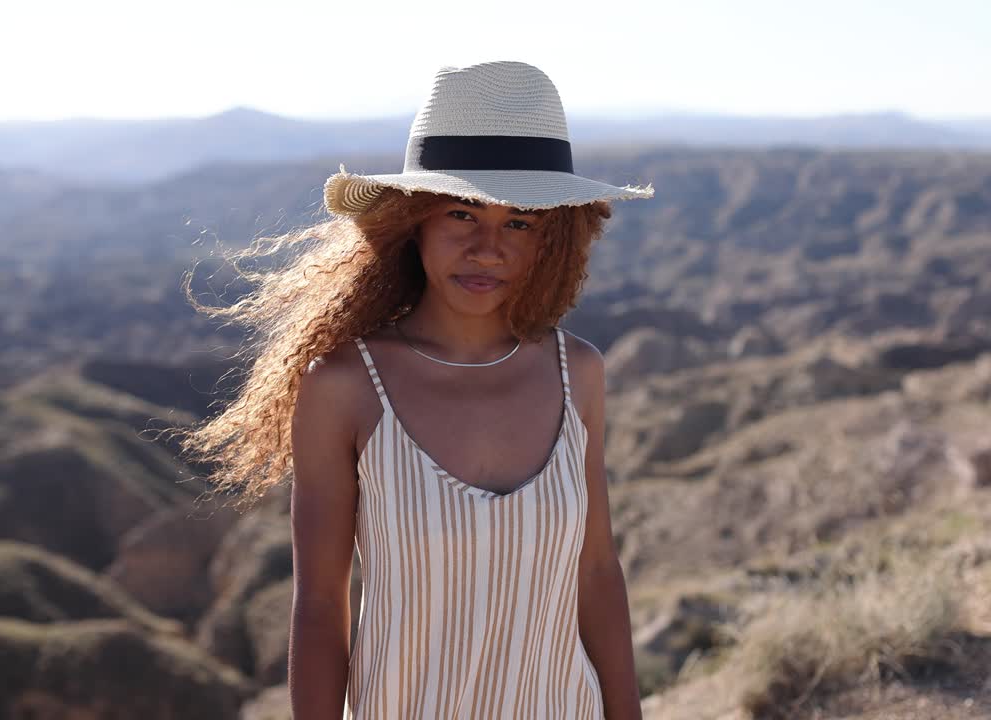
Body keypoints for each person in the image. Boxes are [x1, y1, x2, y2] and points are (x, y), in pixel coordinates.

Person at [177, 60, 654, 719]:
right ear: (412, 222)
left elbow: (597, 575)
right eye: (462, 213)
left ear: (554, 239)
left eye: (520, 222)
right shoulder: (345, 387)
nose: (488, 248)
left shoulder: (580, 376)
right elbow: (320, 605)